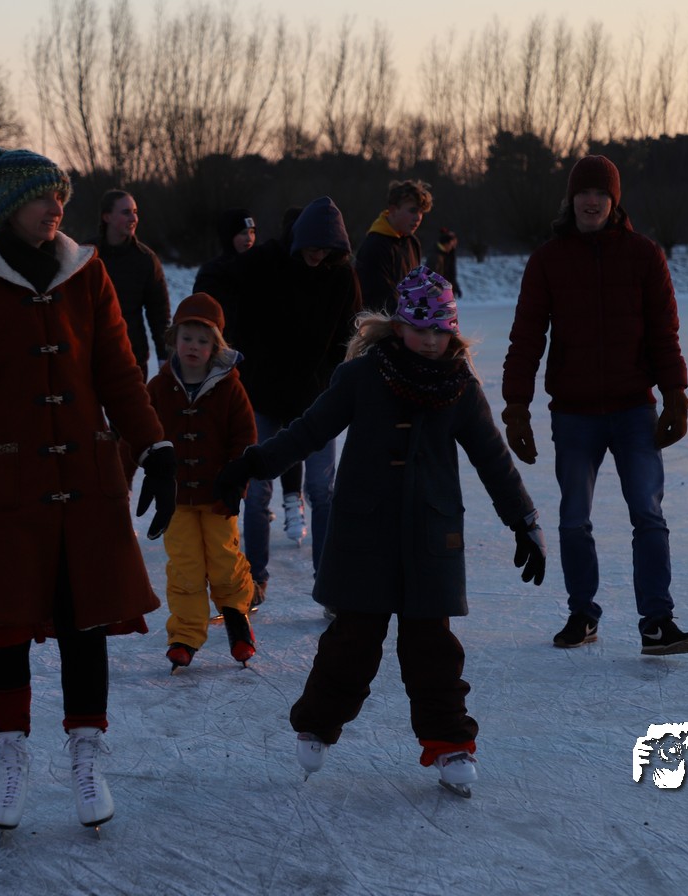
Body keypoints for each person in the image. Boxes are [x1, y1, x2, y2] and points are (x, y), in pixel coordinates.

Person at [0, 146, 177, 832]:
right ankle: (10, 760)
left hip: (83, 481)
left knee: (86, 624)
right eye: (45, 196)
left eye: (62, 197)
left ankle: (87, 757)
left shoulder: (88, 273)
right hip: (4, 486)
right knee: (4, 630)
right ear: (11, 205)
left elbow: (118, 372)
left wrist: (156, 447)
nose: (57, 208)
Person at [216, 265, 546, 797]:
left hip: (430, 537)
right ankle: (317, 724)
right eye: (420, 328)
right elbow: (309, 431)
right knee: (353, 640)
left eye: (441, 330)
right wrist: (254, 464)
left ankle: (449, 743)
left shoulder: (460, 388)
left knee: (432, 648)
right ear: (398, 327)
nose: (431, 340)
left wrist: (524, 520)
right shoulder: (362, 377)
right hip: (364, 534)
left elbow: (492, 458)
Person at [500, 154, 688, 656]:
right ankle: (582, 614)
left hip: (634, 409)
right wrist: (517, 406)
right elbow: (526, 338)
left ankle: (657, 622)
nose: (592, 202)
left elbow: (664, 334)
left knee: (647, 514)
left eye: (601, 194)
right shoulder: (548, 260)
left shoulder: (644, 256)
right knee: (573, 519)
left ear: (614, 201)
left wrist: (675, 397)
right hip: (574, 413)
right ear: (571, 200)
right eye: (584, 193)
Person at [229, 197, 362, 606]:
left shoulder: (342, 277)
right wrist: (247, 372)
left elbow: (351, 338)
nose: (317, 254)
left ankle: (329, 584)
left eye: (326, 248)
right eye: (312, 246)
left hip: (316, 402)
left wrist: (333, 385)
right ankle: (254, 578)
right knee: (257, 489)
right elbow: (239, 320)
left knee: (321, 490)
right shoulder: (265, 263)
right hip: (264, 394)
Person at [145, 292, 258, 671]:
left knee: (224, 561)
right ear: (173, 340)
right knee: (185, 567)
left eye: (202, 340)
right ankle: (184, 636)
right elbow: (140, 431)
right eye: (187, 338)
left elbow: (245, 437)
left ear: (215, 346)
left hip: (218, 496)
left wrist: (236, 481)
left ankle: (237, 619)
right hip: (175, 498)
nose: (193, 346)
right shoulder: (159, 386)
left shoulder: (229, 387)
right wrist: (133, 472)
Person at [89, 188, 170, 376]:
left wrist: (164, 356)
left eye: (135, 212)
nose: (133, 218)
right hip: (90, 358)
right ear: (107, 217)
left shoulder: (146, 259)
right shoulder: (87, 255)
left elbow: (159, 314)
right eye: (126, 212)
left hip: (132, 358)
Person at [355, 179, 431, 315]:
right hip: (381, 323)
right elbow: (378, 299)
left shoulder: (412, 242)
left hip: (407, 323)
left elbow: (415, 288)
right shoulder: (375, 246)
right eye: (413, 210)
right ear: (393, 210)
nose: (418, 218)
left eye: (421, 212)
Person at [191, 207, 255, 338]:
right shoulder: (212, 273)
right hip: (223, 344)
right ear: (229, 236)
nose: (249, 238)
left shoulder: (260, 267)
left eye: (252, 232)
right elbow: (202, 316)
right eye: (243, 233)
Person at [431, 227, 461, 297]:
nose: (453, 246)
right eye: (452, 243)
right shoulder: (437, 256)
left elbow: (451, 274)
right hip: (440, 293)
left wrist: (455, 287)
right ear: (446, 243)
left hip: (445, 291)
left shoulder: (448, 254)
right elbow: (432, 278)